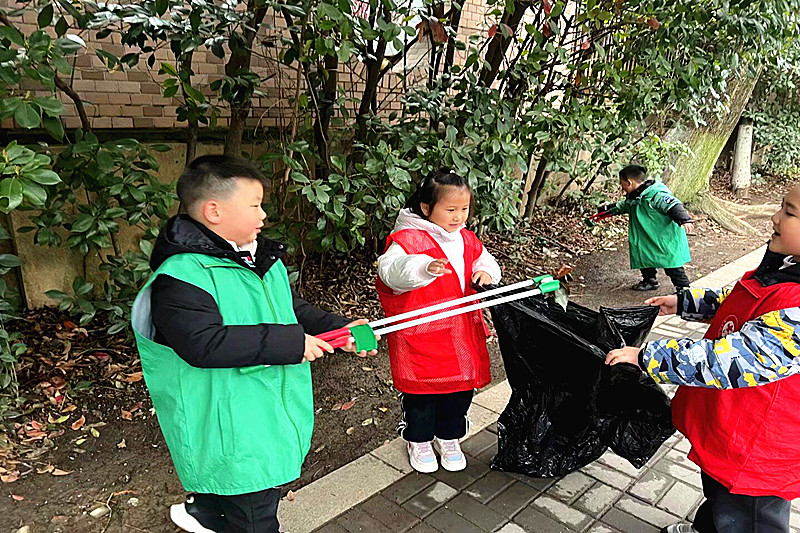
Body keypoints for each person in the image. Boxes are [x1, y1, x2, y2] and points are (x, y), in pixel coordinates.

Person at [130, 155, 376, 533]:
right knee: (255, 512)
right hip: (227, 422)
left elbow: (290, 308)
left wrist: (341, 329)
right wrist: (291, 343)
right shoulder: (180, 277)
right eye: (255, 205)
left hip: (263, 410)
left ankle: (207, 512)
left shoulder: (261, 258)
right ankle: (212, 510)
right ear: (214, 211)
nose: (263, 215)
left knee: (255, 488)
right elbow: (203, 344)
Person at [605, 183, 800, 533]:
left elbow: (731, 361)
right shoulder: (785, 267)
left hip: (759, 449)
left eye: (789, 212)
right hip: (735, 430)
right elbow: (744, 297)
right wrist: (686, 303)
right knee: (723, 496)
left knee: (750, 516)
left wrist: (648, 356)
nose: (774, 216)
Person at [376, 169, 502, 473]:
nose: (459, 216)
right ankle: (417, 439)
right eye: (450, 209)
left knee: (459, 390)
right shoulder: (406, 239)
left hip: (460, 332)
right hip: (420, 334)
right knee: (421, 392)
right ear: (426, 208)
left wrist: (486, 272)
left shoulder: (467, 239)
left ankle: (449, 437)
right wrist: (423, 267)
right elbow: (390, 270)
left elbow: (485, 259)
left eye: (464, 209)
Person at [599, 164, 694, 292]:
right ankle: (650, 280)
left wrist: (685, 219)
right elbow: (624, 206)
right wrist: (607, 210)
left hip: (663, 239)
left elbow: (673, 204)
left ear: (629, 182)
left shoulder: (656, 195)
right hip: (646, 237)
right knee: (644, 258)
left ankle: (684, 288)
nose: (621, 188)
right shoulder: (636, 196)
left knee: (672, 265)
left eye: (622, 184)